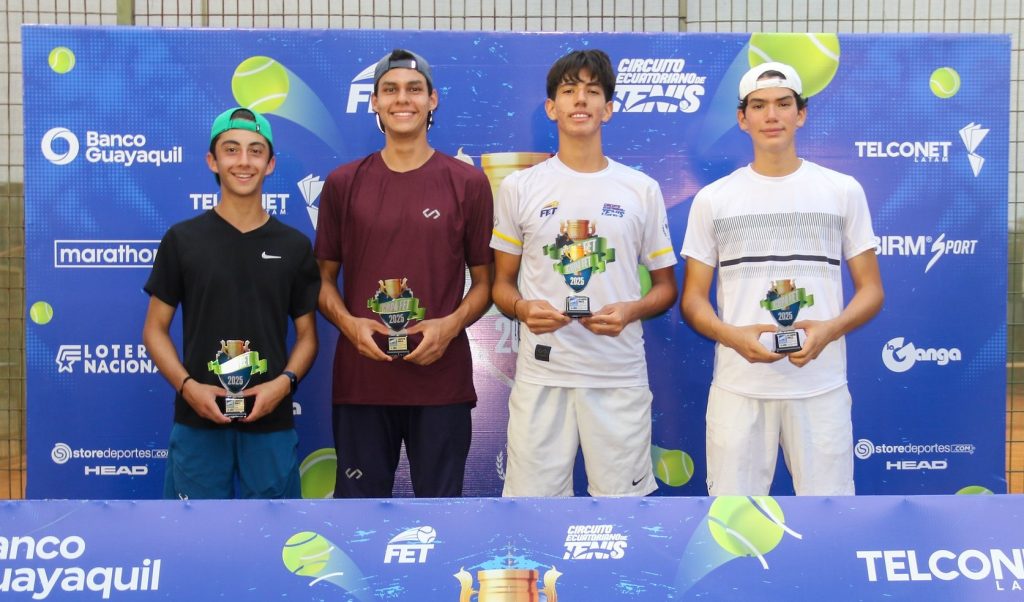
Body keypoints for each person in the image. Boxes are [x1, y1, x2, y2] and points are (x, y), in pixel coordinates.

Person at [679, 62, 884, 496]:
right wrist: (732, 336)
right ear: (742, 118)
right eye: (758, 106)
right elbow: (693, 300)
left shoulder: (842, 190)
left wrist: (830, 330)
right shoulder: (713, 199)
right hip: (739, 388)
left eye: (782, 104)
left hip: (820, 388)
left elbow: (871, 290)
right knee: (733, 520)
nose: (771, 115)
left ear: (801, 114)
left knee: (829, 518)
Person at [490, 49, 678, 497]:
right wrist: (522, 308)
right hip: (543, 375)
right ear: (551, 107)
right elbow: (500, 285)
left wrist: (630, 311)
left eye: (593, 92)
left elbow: (666, 289)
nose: (580, 100)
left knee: (623, 509)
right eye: (569, 90)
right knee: (534, 510)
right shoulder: (520, 187)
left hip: (617, 375)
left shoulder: (641, 189)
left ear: (607, 109)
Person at [314, 49, 493, 498]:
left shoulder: (468, 183)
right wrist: (349, 325)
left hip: (441, 382)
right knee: (358, 517)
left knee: (441, 518)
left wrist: (450, 326)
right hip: (362, 382)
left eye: (414, 89)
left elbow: (486, 282)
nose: (402, 99)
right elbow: (321, 279)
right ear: (374, 101)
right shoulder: (343, 183)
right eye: (390, 90)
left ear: (433, 100)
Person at [142, 107, 320, 499]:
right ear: (213, 160)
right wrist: (189, 388)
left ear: (270, 164)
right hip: (197, 420)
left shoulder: (293, 245)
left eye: (255, 151)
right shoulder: (182, 240)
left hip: (271, 421)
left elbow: (308, 337)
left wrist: (283, 385)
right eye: (231, 149)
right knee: (192, 533)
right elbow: (154, 330)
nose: (243, 161)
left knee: (277, 534)